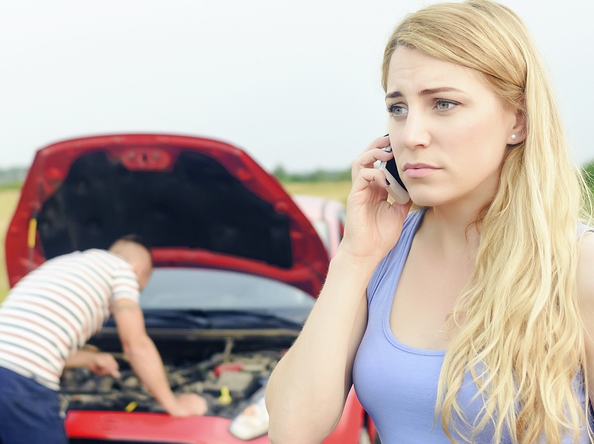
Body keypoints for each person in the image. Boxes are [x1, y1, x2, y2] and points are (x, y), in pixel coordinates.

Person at [265, 1, 594, 443]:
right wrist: (354, 256)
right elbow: (291, 429)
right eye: (398, 108)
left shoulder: (577, 266)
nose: (411, 134)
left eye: (443, 104)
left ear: (518, 120)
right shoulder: (379, 260)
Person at [0, 235, 207, 444]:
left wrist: (91, 358)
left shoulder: (61, 265)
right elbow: (135, 345)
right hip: (20, 385)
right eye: (139, 289)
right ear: (140, 269)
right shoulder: (123, 271)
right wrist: (175, 405)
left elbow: (29, 342)